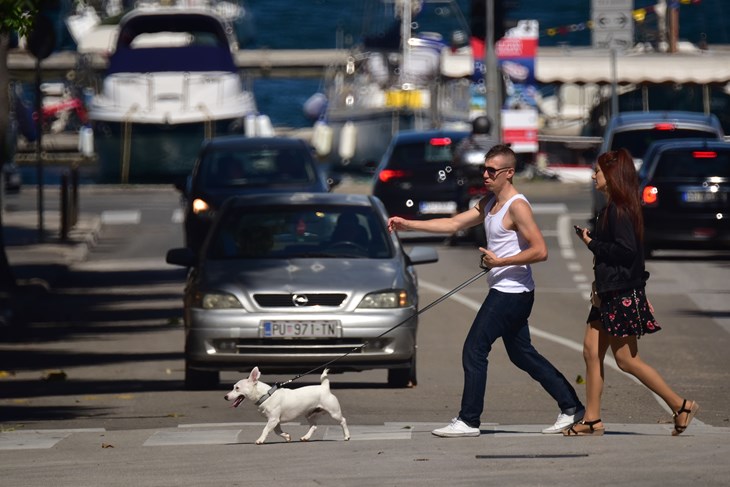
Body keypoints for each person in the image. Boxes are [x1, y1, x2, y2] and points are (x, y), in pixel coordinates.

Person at [388, 144, 584, 437]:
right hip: (508, 289)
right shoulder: (490, 202)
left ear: (509, 173)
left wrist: (500, 261)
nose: (485, 174)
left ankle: (469, 420)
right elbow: (454, 223)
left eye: (492, 170)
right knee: (522, 355)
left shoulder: (517, 206)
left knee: (474, 349)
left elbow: (540, 251)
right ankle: (571, 407)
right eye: (485, 168)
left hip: (512, 292)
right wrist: (408, 224)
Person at [566, 149, 699, 436]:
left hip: (620, 294)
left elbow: (627, 252)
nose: (593, 176)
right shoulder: (611, 209)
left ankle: (681, 404)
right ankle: (592, 419)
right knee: (591, 352)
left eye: (598, 172)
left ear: (612, 176)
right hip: (608, 293)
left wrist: (592, 244)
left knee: (627, 360)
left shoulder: (619, 211)